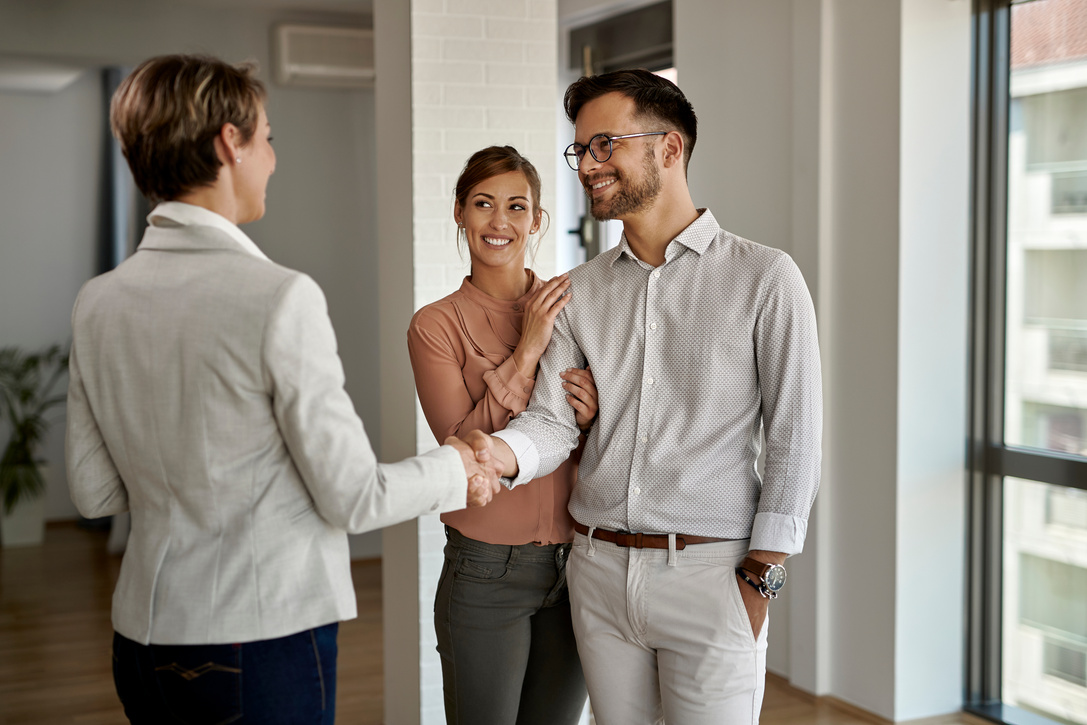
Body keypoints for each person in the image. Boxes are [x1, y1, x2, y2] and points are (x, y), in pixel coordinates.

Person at [64, 54, 498, 725]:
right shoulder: (277, 297)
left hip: (142, 641)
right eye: (267, 137)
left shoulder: (97, 300)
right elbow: (353, 496)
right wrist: (458, 468)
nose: (271, 158)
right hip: (255, 641)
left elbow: (94, 491)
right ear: (227, 143)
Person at [463, 69, 823, 724]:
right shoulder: (579, 290)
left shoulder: (764, 278)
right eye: (580, 150)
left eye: (604, 144)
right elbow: (550, 422)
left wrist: (760, 574)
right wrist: (500, 453)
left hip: (711, 576)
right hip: (597, 571)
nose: (587, 165)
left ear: (669, 147)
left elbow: (796, 435)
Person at [407, 146, 595, 725]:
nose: (499, 222)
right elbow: (462, 453)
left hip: (581, 564)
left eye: (517, 207)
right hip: (486, 569)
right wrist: (530, 346)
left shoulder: (578, 304)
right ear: (461, 212)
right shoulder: (435, 325)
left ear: (537, 219)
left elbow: (615, 432)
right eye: (484, 204)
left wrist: (590, 418)